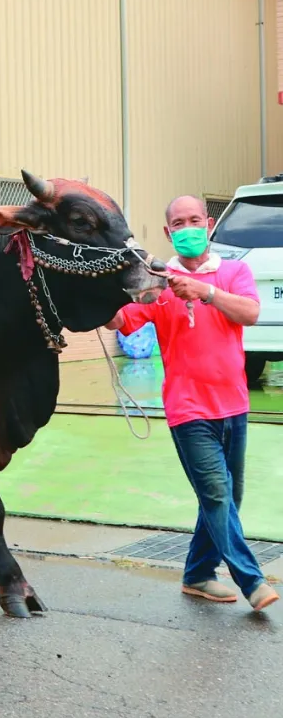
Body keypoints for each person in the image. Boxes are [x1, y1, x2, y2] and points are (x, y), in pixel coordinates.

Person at [105, 195, 277, 611]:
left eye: (194, 220)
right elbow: (121, 320)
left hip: (233, 404)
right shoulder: (158, 281)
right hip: (188, 409)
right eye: (178, 224)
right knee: (217, 495)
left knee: (227, 498)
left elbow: (250, 313)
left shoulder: (234, 271)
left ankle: (198, 573)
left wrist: (205, 292)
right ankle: (251, 580)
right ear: (168, 233)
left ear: (209, 224)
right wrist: (105, 291)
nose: (187, 229)